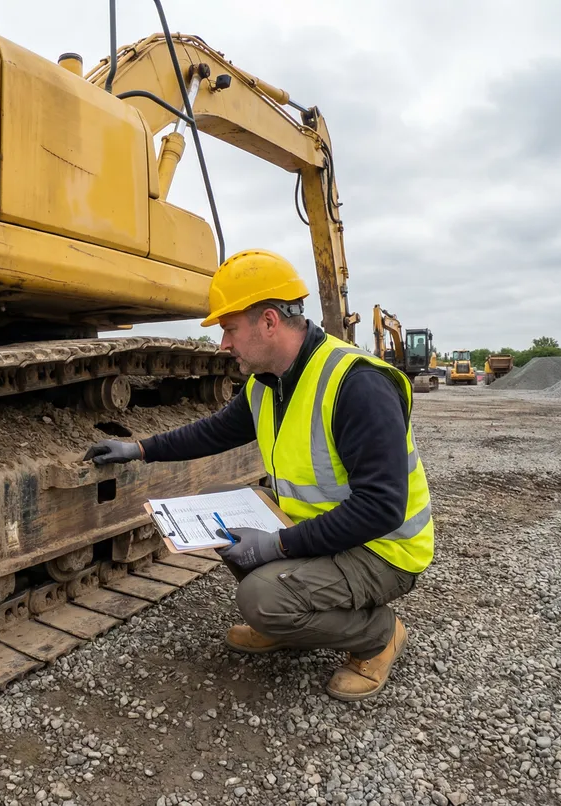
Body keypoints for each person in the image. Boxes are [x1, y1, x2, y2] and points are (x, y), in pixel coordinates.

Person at [83, 249, 433, 701]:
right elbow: (214, 432)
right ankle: (292, 623)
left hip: (384, 548)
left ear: (269, 322)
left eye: (229, 329)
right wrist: (138, 448)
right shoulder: (270, 380)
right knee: (223, 525)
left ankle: (379, 636)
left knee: (262, 599)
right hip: (324, 530)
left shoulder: (357, 385)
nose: (223, 344)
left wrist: (279, 544)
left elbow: (381, 508)